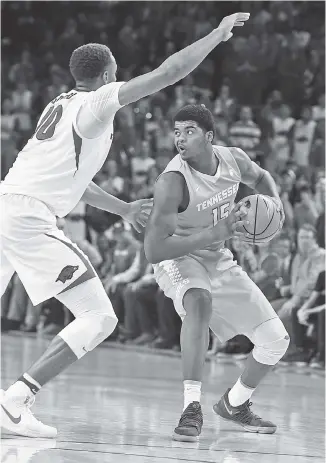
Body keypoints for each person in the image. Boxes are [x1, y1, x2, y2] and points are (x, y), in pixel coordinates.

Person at [0, 12, 250, 438]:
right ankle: (16, 401)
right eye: (116, 69)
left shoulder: (59, 105)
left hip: (9, 204)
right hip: (27, 217)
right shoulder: (96, 103)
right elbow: (169, 72)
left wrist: (123, 208)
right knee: (99, 317)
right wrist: (215, 36)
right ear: (108, 72)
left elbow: (75, 182)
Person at [144, 104, 288, 442]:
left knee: (275, 341)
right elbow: (154, 250)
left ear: (209, 136)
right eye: (177, 131)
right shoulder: (172, 182)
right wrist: (215, 233)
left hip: (216, 254)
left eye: (189, 130)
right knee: (198, 302)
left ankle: (235, 404)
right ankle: (191, 407)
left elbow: (262, 177)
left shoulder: (233, 159)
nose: (180, 138)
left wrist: (275, 203)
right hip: (177, 255)